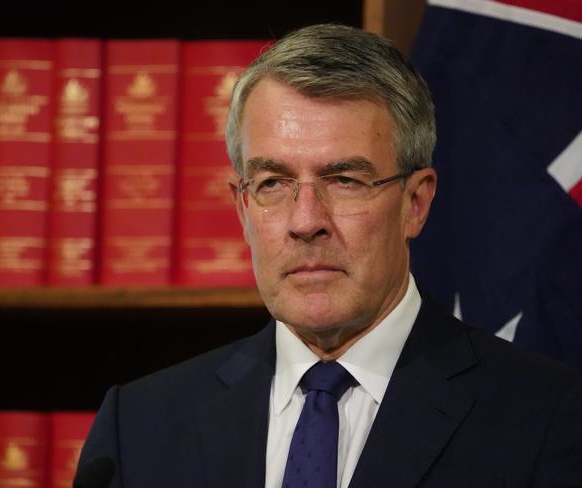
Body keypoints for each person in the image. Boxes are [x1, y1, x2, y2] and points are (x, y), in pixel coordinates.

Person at [77, 24, 582, 487]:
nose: (305, 221)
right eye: (273, 182)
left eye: (344, 180)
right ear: (242, 207)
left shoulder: (547, 418)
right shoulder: (138, 427)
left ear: (416, 203)